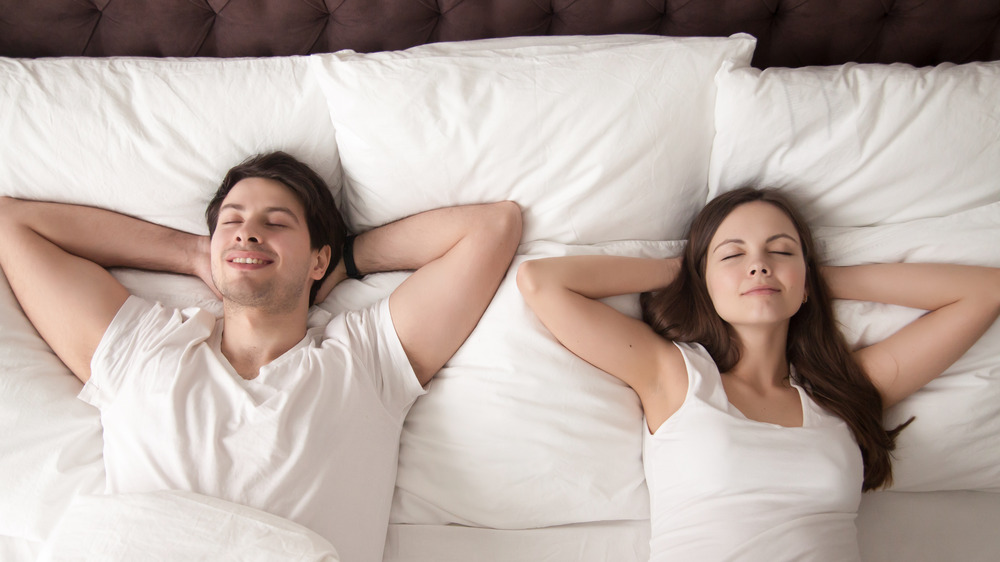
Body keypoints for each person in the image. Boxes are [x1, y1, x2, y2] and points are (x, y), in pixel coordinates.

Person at [0, 151, 522, 562]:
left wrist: (347, 257)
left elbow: (493, 227)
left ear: (317, 257)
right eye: (232, 221)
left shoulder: (366, 361)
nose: (248, 231)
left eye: (276, 223)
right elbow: (11, 223)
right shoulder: (143, 347)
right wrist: (191, 253)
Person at [516, 186, 1000, 561]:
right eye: (733, 255)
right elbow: (542, 281)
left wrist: (814, 280)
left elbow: (985, 292)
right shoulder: (675, 375)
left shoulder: (842, 391)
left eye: (781, 251)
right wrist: (679, 272)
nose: (760, 267)